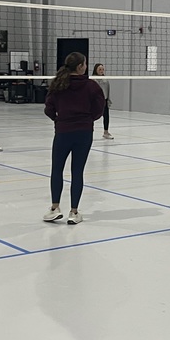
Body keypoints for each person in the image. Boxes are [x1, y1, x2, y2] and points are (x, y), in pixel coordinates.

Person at [43, 52, 105, 225]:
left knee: (57, 169)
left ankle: (55, 208)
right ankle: (73, 212)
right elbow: (99, 110)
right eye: (85, 64)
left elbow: (48, 109)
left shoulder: (58, 84)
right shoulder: (92, 86)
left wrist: (59, 120)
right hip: (84, 133)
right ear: (80, 67)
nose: (86, 66)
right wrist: (86, 120)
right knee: (77, 172)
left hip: (63, 132)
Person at [91, 63, 113, 139]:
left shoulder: (105, 79)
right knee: (92, 116)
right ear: (96, 70)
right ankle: (89, 131)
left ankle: (106, 132)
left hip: (104, 100)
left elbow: (108, 89)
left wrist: (108, 100)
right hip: (96, 101)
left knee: (106, 116)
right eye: (99, 69)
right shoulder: (93, 79)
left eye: (103, 69)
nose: (101, 71)